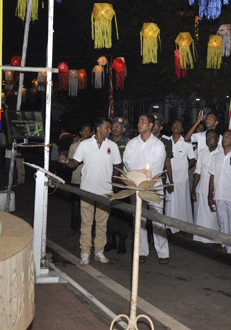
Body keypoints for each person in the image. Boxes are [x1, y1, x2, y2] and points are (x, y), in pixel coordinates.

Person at [59, 118, 121, 265]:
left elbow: (117, 165)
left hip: (105, 191)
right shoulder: (84, 145)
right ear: (99, 129)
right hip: (87, 191)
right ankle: (85, 252)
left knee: (101, 224)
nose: (110, 130)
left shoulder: (112, 145)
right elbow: (74, 163)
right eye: (107, 127)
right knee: (86, 223)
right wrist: (66, 161)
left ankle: (99, 252)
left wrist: (113, 183)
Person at [124, 113, 168, 264]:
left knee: (158, 219)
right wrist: (136, 177)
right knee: (139, 220)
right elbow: (127, 163)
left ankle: (163, 252)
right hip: (136, 187)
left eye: (143, 121)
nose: (139, 123)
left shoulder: (158, 145)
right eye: (138, 121)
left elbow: (156, 168)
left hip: (154, 187)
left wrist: (141, 176)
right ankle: (142, 251)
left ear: (150, 125)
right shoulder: (132, 143)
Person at [208, 130, 231, 255]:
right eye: (224, 136)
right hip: (219, 194)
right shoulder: (216, 156)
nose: (225, 138)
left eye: (229, 136)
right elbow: (212, 177)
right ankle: (224, 246)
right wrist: (210, 195)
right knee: (222, 222)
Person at [165, 119, 196, 233]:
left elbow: (192, 159)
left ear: (182, 129)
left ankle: (183, 227)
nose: (176, 126)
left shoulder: (186, 143)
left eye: (179, 125)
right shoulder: (166, 141)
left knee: (182, 203)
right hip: (169, 177)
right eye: (174, 124)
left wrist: (184, 168)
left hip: (182, 178)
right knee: (170, 202)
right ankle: (170, 226)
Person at [106, 117, 132, 254]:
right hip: (107, 181)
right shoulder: (105, 141)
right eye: (114, 125)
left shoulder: (129, 143)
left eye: (119, 126)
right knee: (108, 211)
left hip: (123, 183)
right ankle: (111, 240)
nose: (115, 128)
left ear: (124, 129)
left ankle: (122, 240)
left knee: (124, 212)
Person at [192, 130, 221, 245]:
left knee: (213, 217)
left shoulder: (221, 153)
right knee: (203, 215)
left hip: (215, 190)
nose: (209, 140)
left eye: (212, 138)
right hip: (202, 187)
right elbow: (197, 172)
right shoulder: (202, 153)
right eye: (207, 138)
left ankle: (214, 240)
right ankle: (202, 239)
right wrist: (193, 189)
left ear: (218, 139)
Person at [65, 123, 93, 238]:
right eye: (84, 130)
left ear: (91, 133)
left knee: (90, 206)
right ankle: (74, 228)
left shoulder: (94, 146)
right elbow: (71, 162)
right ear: (80, 132)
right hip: (77, 179)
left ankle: (91, 229)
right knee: (76, 207)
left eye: (88, 130)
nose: (86, 132)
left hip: (90, 180)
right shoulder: (73, 146)